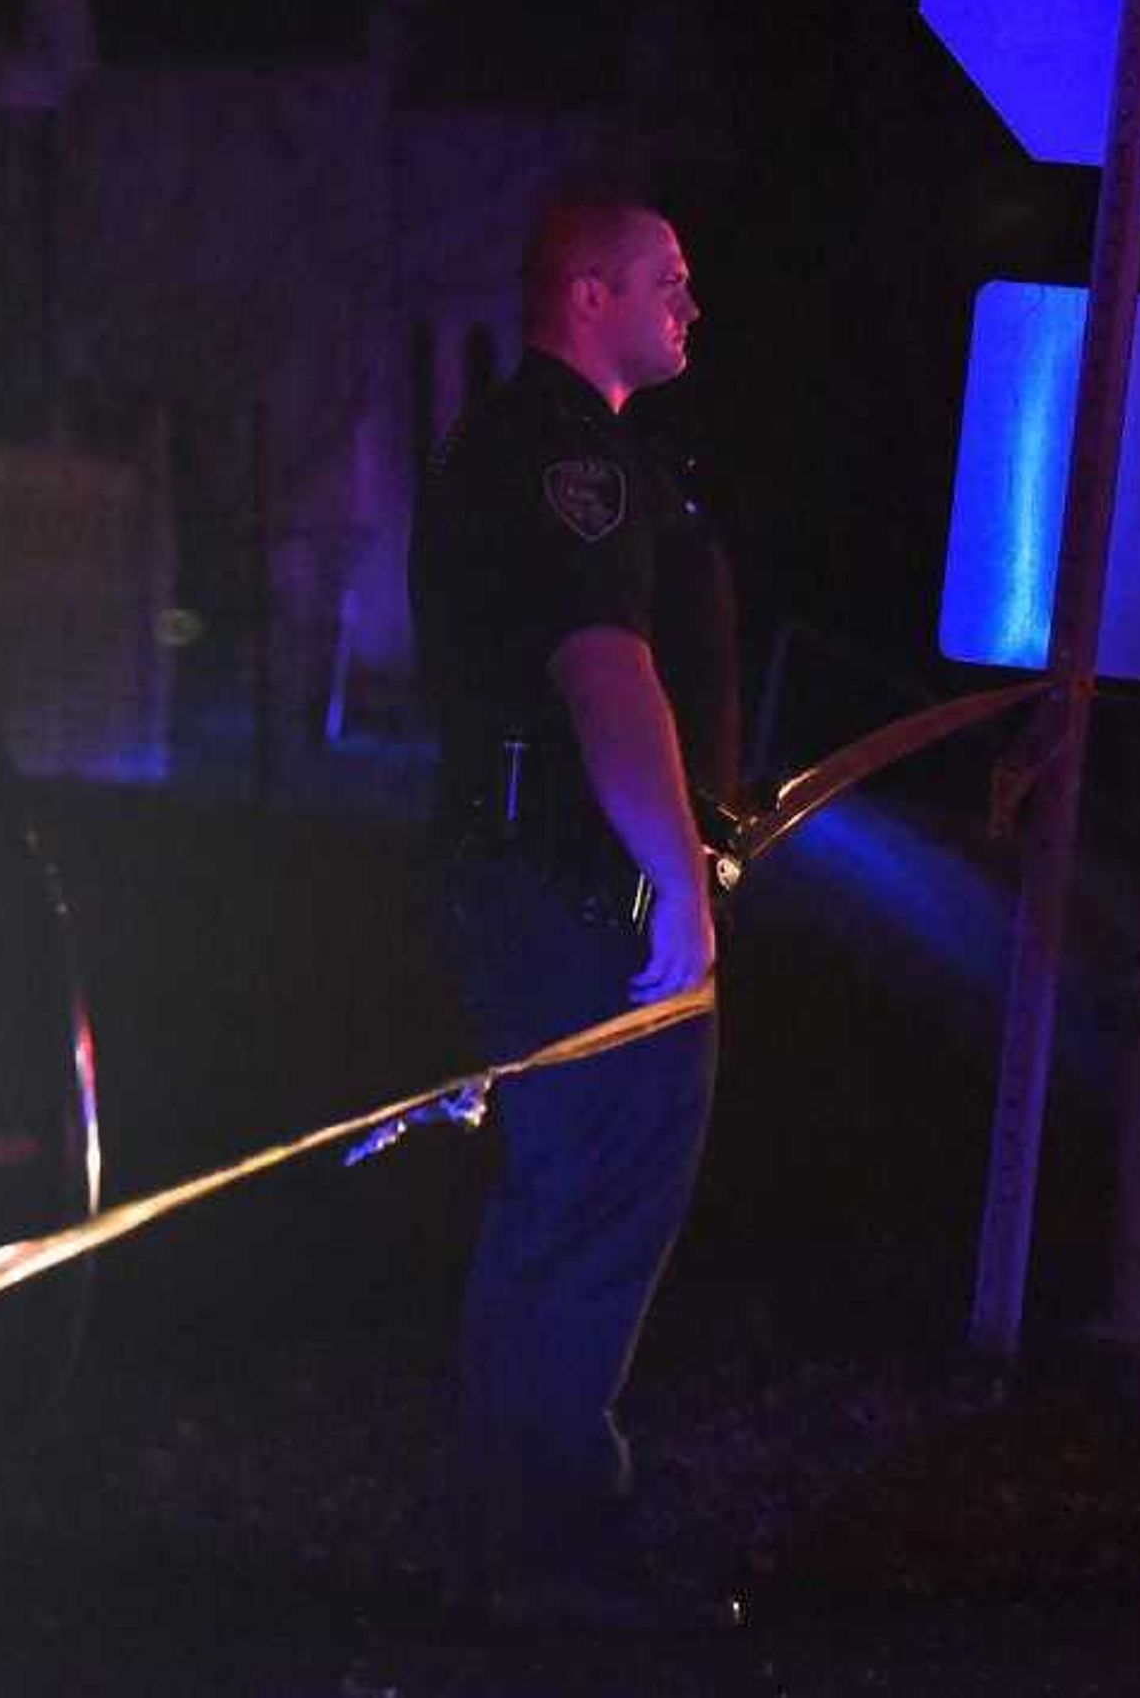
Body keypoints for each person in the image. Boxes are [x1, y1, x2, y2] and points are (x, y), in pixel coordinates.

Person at [408, 195, 744, 1636]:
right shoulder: (566, 460)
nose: (693, 304)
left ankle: (513, 1528)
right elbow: (605, 674)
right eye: (668, 279)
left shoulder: (555, 446)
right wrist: (672, 878)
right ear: (591, 291)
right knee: (594, 1199)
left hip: (541, 876)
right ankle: (546, 1545)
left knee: (569, 1200)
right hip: (574, 890)